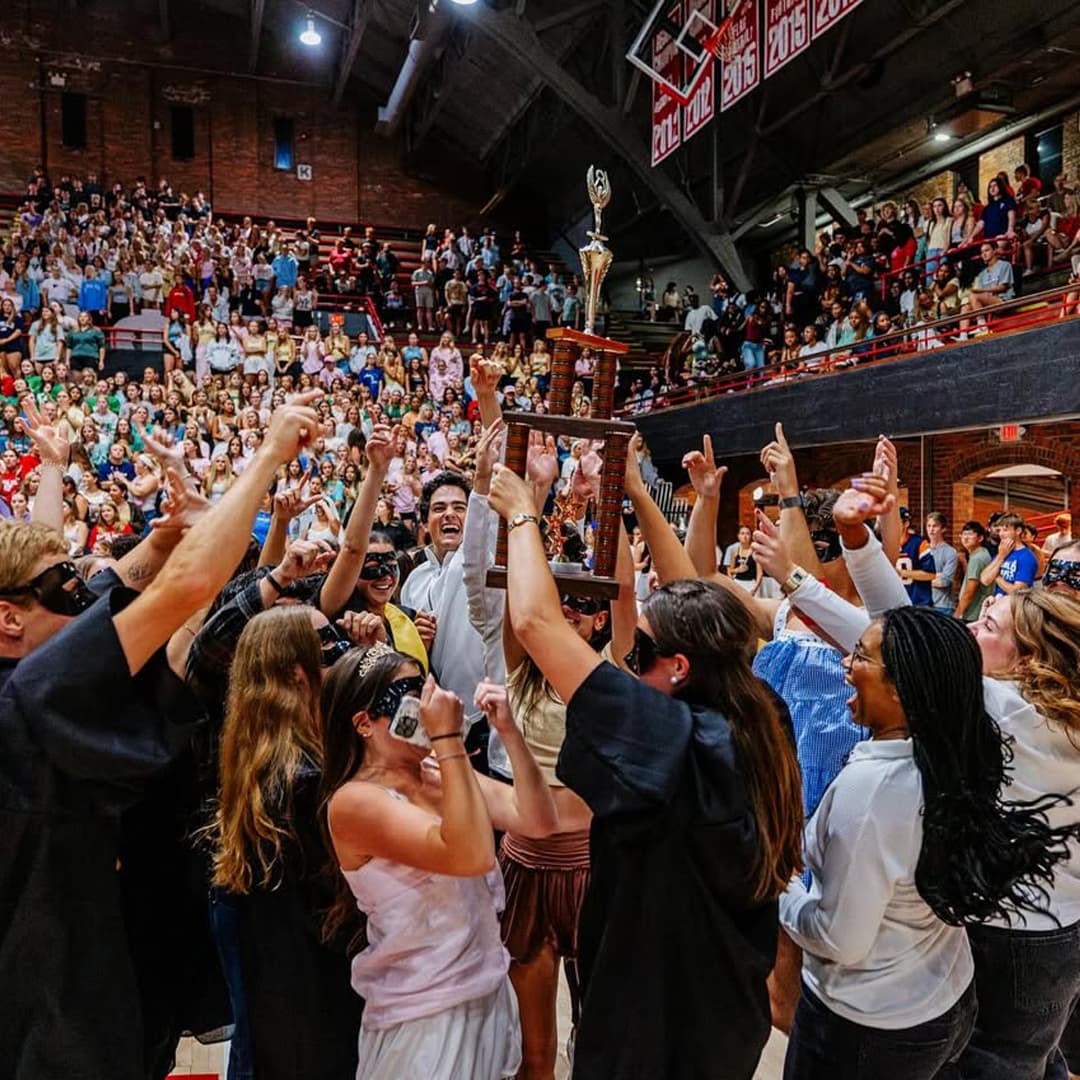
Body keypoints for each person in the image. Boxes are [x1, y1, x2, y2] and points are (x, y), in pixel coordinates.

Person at [0, 391, 324, 1078]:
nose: (83, 593)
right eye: (64, 584)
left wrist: (167, 529)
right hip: (56, 1008)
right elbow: (185, 594)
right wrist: (266, 455)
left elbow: (120, 587)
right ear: (9, 617)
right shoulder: (39, 692)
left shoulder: (27, 685)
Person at [486, 457, 804, 1080]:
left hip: (656, 1026)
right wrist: (628, 490)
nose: (630, 658)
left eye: (643, 652)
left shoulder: (672, 737)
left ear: (680, 666)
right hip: (726, 1011)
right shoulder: (756, 711)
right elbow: (700, 598)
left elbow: (533, 623)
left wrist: (524, 512)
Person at [780, 603, 1080, 1079]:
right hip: (952, 984)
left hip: (882, 1013)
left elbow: (842, 939)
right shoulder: (964, 750)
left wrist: (784, 886)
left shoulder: (876, 788)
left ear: (903, 687)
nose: (845, 663)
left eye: (859, 656)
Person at [320, 645, 559, 1079]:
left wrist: (509, 732)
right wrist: (449, 745)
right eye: (408, 693)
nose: (426, 701)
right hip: (425, 1011)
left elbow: (539, 820)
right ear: (363, 724)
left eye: (423, 685)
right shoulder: (353, 802)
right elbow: (469, 856)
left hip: (485, 986)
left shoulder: (435, 769)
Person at [210, 605, 360, 1080]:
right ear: (299, 673)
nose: (344, 653)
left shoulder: (264, 751)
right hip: (307, 977)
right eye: (332, 647)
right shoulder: (303, 780)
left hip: (278, 961)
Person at [980, 512, 1039, 595]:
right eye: (999, 530)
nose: (1001, 534)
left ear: (1018, 530)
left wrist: (996, 577)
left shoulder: (1027, 557)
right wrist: (1001, 556)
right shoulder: (1004, 552)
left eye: (1005, 530)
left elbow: (1017, 592)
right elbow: (984, 579)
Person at [956, 519, 994, 622]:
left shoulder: (977, 558)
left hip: (973, 614)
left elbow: (970, 591)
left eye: (970, 534)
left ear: (980, 538)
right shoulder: (980, 554)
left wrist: (957, 613)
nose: (965, 538)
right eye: (963, 534)